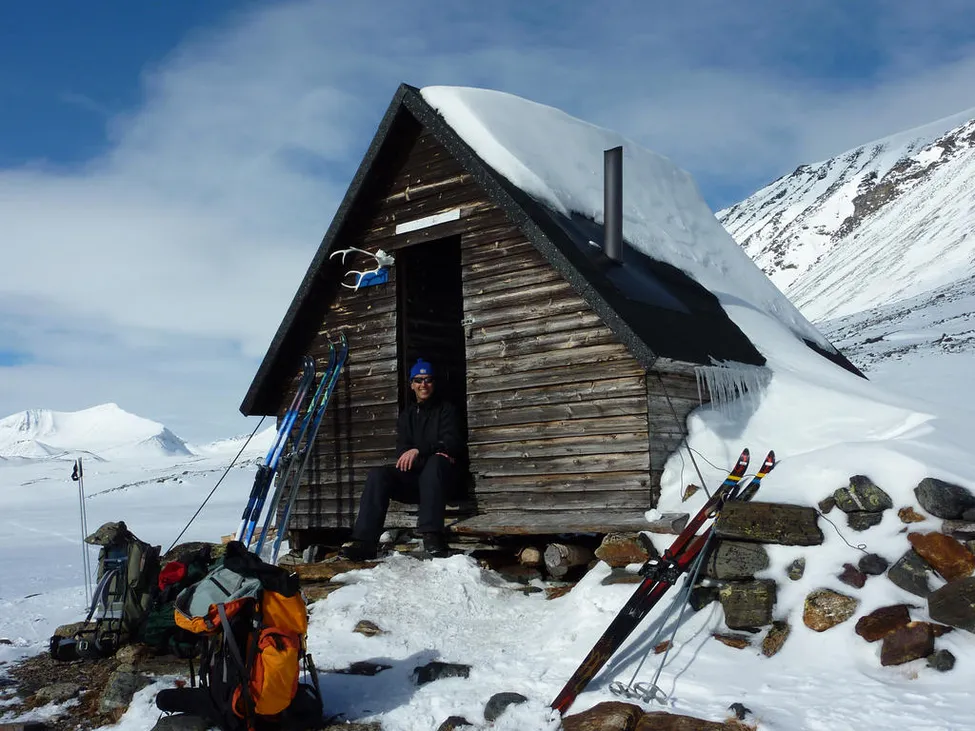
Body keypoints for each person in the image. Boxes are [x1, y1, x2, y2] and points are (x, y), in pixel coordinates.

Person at [340, 358, 465, 560]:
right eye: (418, 380)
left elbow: (453, 443)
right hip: (417, 482)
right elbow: (402, 450)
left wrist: (421, 451)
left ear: (434, 383)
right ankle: (364, 541)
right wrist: (425, 451)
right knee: (378, 475)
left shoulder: (447, 411)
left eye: (428, 380)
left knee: (436, 462)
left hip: (443, 484)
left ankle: (432, 537)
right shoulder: (407, 416)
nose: (423, 384)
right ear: (412, 385)